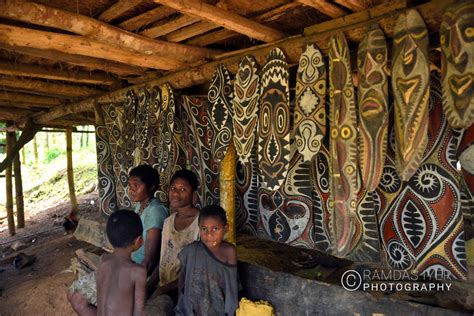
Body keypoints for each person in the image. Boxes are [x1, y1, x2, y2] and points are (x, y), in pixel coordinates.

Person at [69, 210, 147, 316]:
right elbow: (139, 311)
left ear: (110, 240)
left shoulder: (104, 260)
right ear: (139, 241)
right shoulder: (138, 272)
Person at [147, 169, 200, 301]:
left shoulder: (202, 223)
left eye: (183, 189)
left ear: (194, 195)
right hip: (163, 287)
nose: (176, 193)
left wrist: (160, 291)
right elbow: (163, 261)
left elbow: (197, 271)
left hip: (186, 291)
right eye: (173, 188)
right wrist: (148, 286)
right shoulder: (168, 222)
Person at [175, 205, 238, 316]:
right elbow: (182, 278)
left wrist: (230, 312)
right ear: (199, 228)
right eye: (204, 229)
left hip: (217, 310)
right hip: (191, 310)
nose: (209, 235)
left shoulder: (229, 251)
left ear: (226, 228)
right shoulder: (190, 251)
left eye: (215, 229)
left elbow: (231, 288)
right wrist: (182, 302)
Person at [128, 164, 169, 274]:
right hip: (132, 265)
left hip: (142, 270)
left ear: (150, 186)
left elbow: (149, 260)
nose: (131, 190)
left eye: (136, 185)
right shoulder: (140, 206)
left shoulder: (155, 211)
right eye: (130, 185)